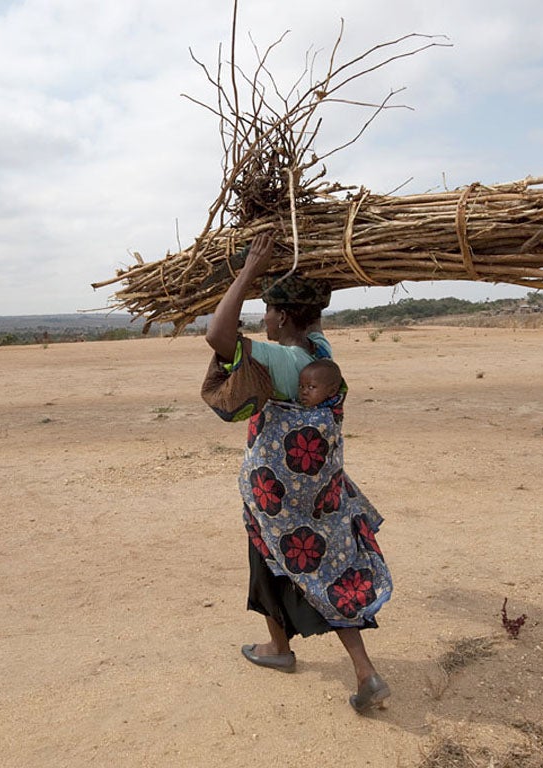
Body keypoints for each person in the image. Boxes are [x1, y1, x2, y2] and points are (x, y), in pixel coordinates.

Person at [205, 232, 393, 714]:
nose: (262, 319)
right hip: (320, 496)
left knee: (268, 559)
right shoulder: (319, 350)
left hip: (278, 499)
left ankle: (280, 650)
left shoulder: (280, 360)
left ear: (283, 316)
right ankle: (362, 669)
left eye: (267, 310)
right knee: (327, 568)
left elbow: (216, 336)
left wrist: (249, 270)